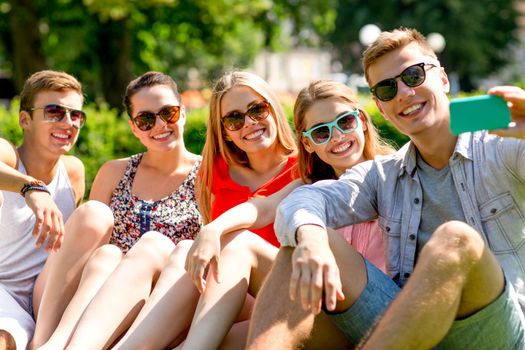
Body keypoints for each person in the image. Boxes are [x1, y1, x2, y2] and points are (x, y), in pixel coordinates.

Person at [247, 28, 525, 350]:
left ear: (443, 79)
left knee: (456, 238)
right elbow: (306, 199)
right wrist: (311, 240)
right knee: (298, 246)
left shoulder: (503, 148)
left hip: (495, 333)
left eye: (414, 75)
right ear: (380, 107)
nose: (404, 93)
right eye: (387, 88)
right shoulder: (382, 176)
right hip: (410, 328)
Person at [182, 79, 395, 349]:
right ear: (306, 144)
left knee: (262, 248)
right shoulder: (311, 186)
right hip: (327, 313)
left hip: (380, 315)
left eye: (345, 122)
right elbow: (264, 208)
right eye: (321, 132)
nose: (337, 136)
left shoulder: (395, 173)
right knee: (218, 339)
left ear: (362, 120)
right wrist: (212, 229)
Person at [33, 71, 202, 350]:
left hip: (156, 311)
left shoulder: (207, 177)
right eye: (146, 120)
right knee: (105, 245)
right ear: (134, 128)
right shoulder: (115, 172)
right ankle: (47, 341)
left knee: (152, 246)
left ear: (182, 113)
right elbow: (92, 252)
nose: (159, 125)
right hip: (88, 299)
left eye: (168, 113)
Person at [0, 70, 86, 350]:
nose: (68, 122)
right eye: (54, 112)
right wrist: (31, 189)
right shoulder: (9, 156)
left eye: (76, 115)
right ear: (25, 120)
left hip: (44, 299)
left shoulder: (73, 171)